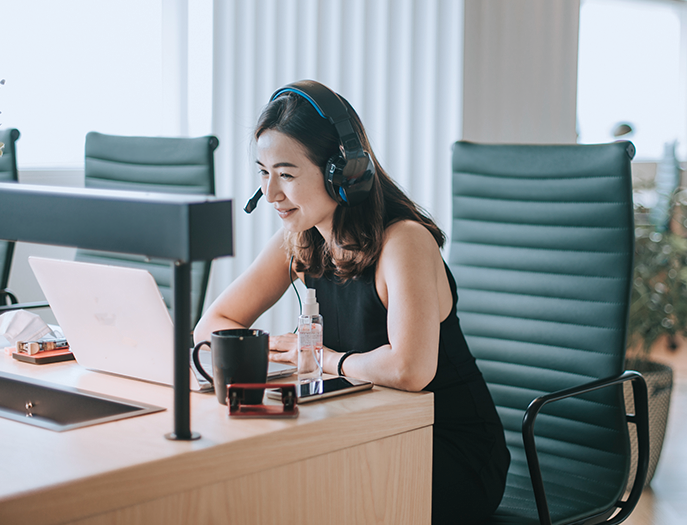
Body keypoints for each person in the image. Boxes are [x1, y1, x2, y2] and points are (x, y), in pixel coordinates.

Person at [194, 80, 509, 524]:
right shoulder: (300, 239)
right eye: (263, 172)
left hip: (446, 450)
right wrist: (260, 350)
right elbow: (214, 324)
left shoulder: (404, 242)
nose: (270, 193)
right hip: (366, 432)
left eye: (286, 173)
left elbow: (409, 369)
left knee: (297, 501)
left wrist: (322, 358)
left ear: (342, 172)